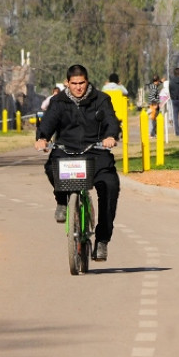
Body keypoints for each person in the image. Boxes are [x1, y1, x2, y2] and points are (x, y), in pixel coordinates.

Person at [34, 65, 122, 262]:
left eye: (82, 83)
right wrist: (42, 138)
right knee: (51, 167)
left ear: (87, 81)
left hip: (96, 152)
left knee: (110, 186)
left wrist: (110, 136)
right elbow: (48, 123)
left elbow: (111, 121)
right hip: (66, 151)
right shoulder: (58, 102)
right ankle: (62, 200)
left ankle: (102, 241)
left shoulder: (101, 99)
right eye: (74, 84)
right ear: (67, 83)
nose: (78, 87)